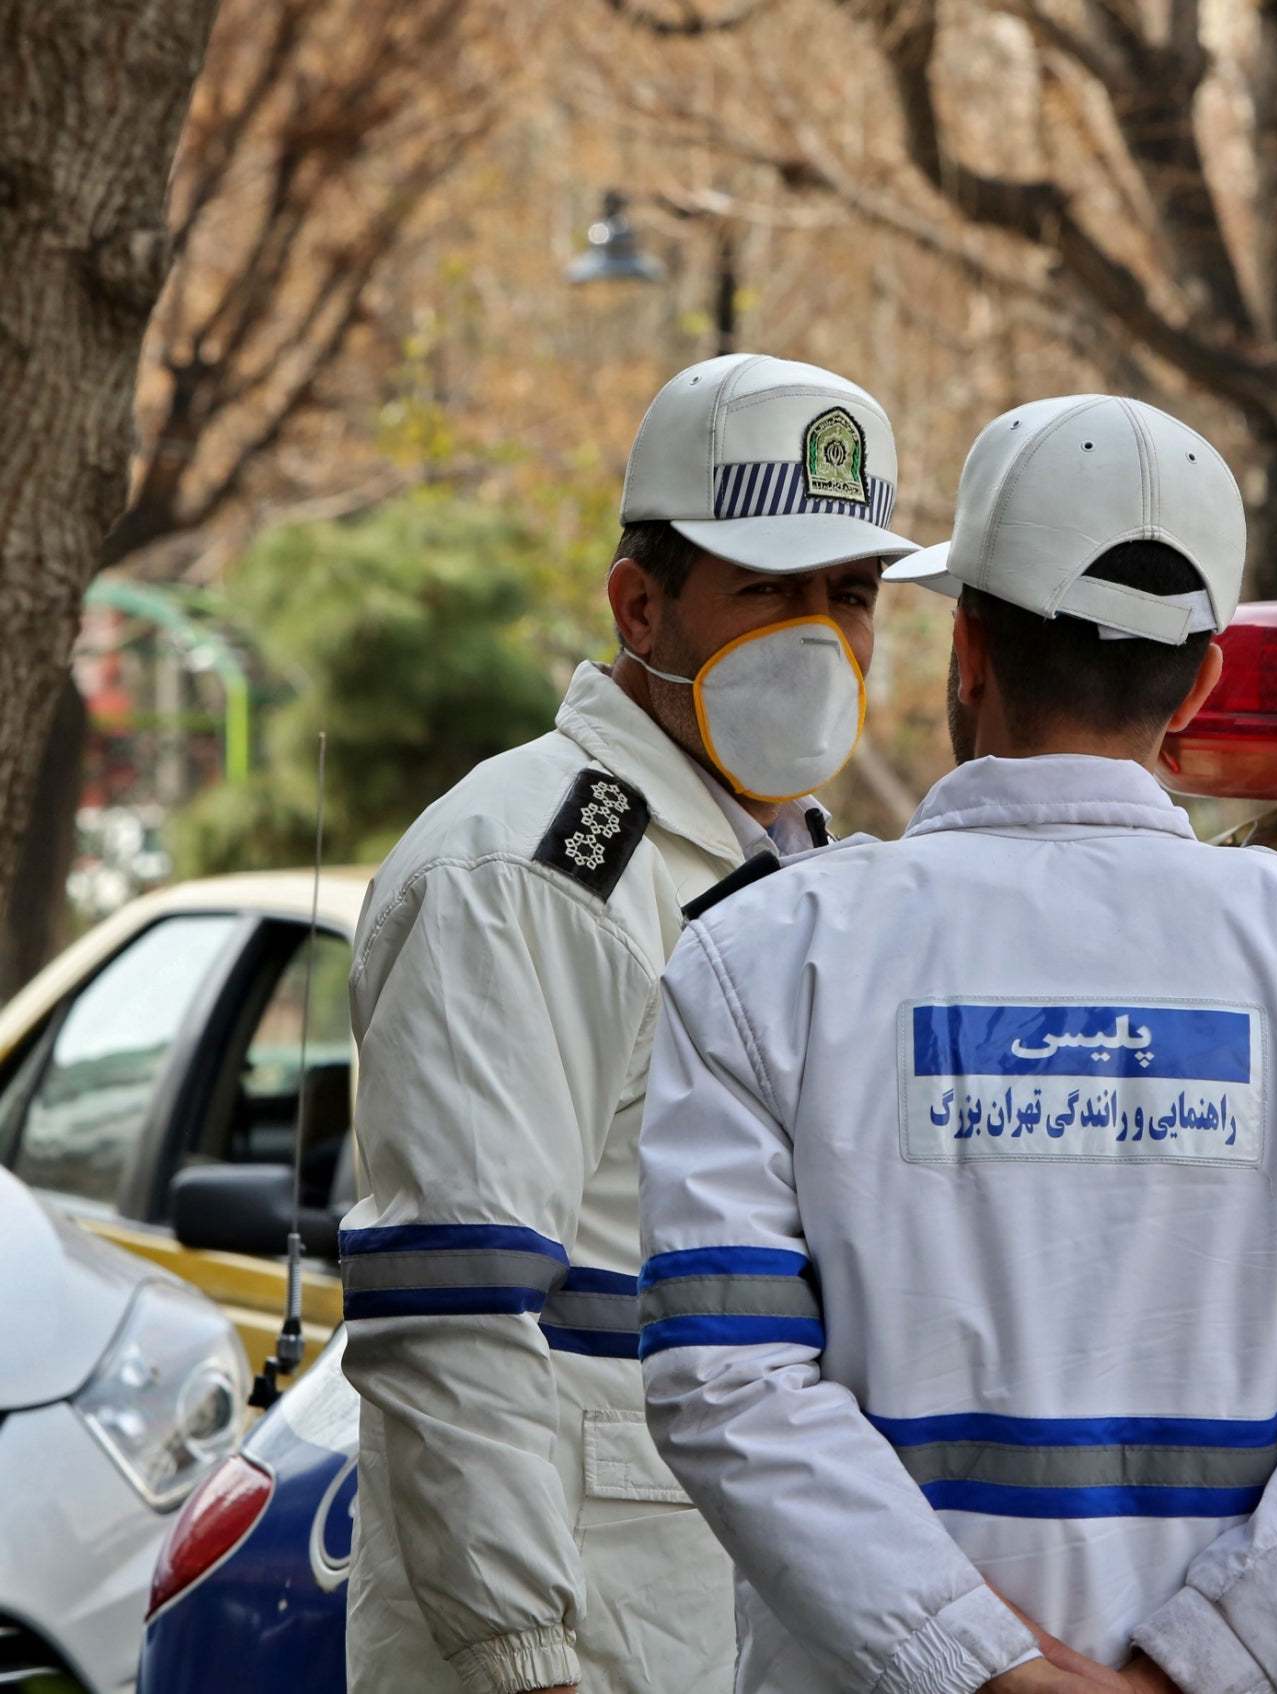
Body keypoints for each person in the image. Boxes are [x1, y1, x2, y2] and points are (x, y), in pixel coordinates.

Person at [638, 394, 1277, 1694]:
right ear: (1202, 680)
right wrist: (1184, 1669)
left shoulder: (764, 959)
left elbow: (724, 1382)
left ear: (971, 651)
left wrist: (981, 1665)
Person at [337, 354, 919, 1694]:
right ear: (637, 602)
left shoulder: (795, 872)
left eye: (850, 595)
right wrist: (523, 1658)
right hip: (579, 1649)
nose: (818, 637)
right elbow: (451, 1317)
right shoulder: (528, 870)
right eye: (767, 589)